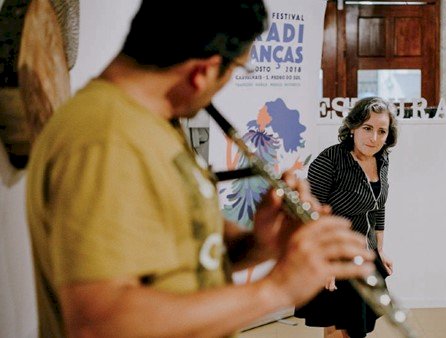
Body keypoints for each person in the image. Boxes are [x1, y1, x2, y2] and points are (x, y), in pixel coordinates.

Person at [25, 2, 375, 337]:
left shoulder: (154, 123)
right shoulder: (104, 139)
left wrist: (261, 243)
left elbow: (180, 252)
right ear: (204, 71)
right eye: (237, 70)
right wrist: (277, 290)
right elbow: (99, 324)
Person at [295, 96, 398, 338]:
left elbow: (377, 207)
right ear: (352, 127)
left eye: (382, 131)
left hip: (364, 256)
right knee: (339, 329)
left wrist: (379, 250)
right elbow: (309, 215)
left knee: (355, 328)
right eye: (367, 128)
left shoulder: (381, 160)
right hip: (335, 255)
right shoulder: (330, 161)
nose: (374, 138)